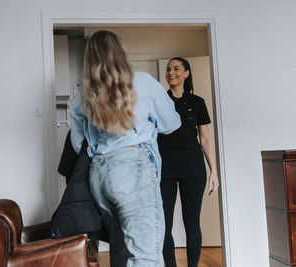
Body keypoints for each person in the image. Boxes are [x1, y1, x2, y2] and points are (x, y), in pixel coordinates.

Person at [70, 30, 181, 267]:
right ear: (120, 53)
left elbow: (78, 144)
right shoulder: (143, 82)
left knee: (120, 251)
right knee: (145, 256)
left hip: (99, 176)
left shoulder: (83, 96)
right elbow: (172, 123)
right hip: (134, 170)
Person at [157, 57, 220, 267]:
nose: (170, 72)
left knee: (192, 223)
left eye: (176, 68)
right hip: (164, 170)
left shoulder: (197, 103)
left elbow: (205, 139)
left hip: (193, 169)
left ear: (186, 73)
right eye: (168, 69)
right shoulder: (159, 101)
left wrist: (214, 172)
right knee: (163, 225)